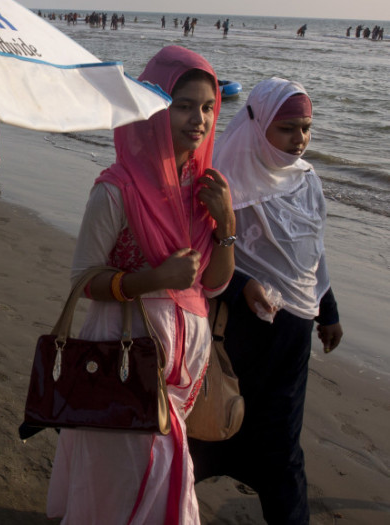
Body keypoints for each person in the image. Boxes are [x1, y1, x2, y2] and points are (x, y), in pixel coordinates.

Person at [46, 45, 235, 523]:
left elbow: (211, 285)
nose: (199, 120)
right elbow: (82, 278)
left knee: (147, 476)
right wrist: (153, 279)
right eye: (184, 105)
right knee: (136, 475)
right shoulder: (117, 187)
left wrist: (226, 225)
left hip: (182, 370)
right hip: (124, 356)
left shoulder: (208, 188)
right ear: (153, 108)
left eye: (209, 107)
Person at [188, 78, 344, 524]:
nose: (299, 139)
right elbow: (198, 251)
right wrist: (241, 286)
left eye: (306, 128)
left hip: (291, 338)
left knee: (281, 445)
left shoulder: (306, 180)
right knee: (207, 427)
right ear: (258, 126)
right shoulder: (223, 180)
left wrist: (327, 311)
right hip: (236, 333)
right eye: (287, 128)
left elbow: (311, 249)